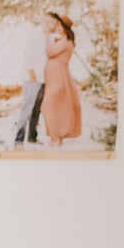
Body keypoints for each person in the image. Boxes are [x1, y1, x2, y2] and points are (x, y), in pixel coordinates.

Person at [42, 11, 81, 147]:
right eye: (57, 25)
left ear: (66, 29)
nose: (58, 28)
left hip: (58, 77)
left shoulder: (65, 42)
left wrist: (47, 36)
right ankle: (58, 138)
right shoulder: (63, 40)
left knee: (46, 106)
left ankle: (55, 138)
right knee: (56, 107)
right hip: (56, 76)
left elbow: (51, 52)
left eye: (60, 26)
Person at [13, 16, 48, 148]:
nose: (51, 24)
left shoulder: (47, 36)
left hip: (42, 79)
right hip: (32, 79)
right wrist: (32, 75)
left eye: (53, 22)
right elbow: (28, 55)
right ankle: (18, 139)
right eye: (48, 21)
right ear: (44, 21)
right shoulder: (35, 33)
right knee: (27, 109)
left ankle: (32, 137)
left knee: (36, 110)